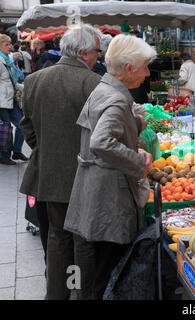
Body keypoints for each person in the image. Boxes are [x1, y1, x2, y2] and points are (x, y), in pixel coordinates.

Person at [64, 34, 155, 300]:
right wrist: (138, 161)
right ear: (129, 68)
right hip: (109, 200)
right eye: (145, 67)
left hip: (96, 192)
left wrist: (134, 127)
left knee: (99, 271)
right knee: (106, 273)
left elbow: (103, 128)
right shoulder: (116, 99)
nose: (148, 74)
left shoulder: (105, 88)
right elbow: (101, 140)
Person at [19, 24, 103, 300]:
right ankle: (79, 292)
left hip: (50, 175)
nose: (98, 58)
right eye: (95, 52)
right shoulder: (94, 84)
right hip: (85, 176)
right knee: (82, 242)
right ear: (82, 53)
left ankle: (58, 294)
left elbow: (26, 126)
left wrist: (45, 151)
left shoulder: (34, 80)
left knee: (57, 239)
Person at [0, 34, 28, 165]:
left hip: (11, 99)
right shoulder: (0, 61)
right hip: (2, 100)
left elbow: (12, 81)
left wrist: (27, 88)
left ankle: (17, 151)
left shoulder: (8, 60)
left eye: (10, 44)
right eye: (7, 44)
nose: (10, 47)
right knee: (6, 128)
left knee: (22, 124)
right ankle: (4, 156)